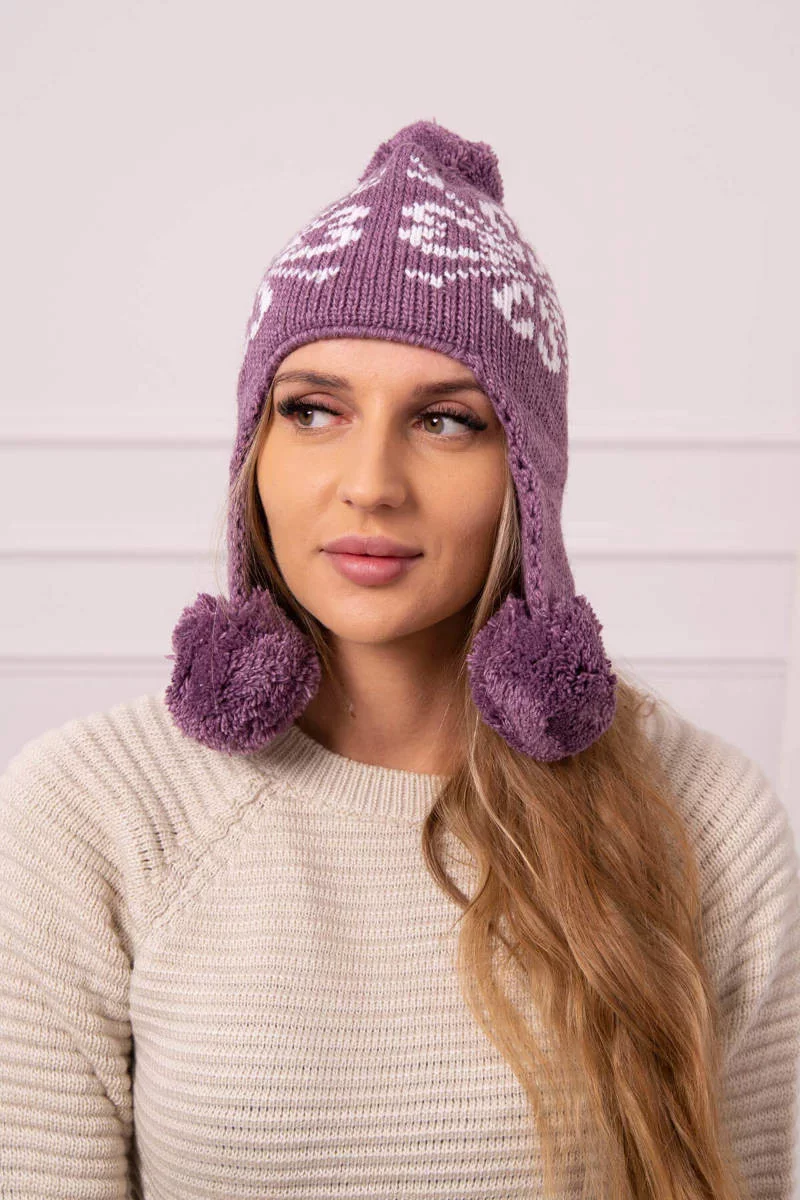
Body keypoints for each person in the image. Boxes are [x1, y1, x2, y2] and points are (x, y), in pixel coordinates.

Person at [1, 119, 799, 1200]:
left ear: (527, 476)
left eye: (445, 421)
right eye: (312, 410)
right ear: (254, 452)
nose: (370, 482)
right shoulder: (89, 812)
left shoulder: (704, 818)